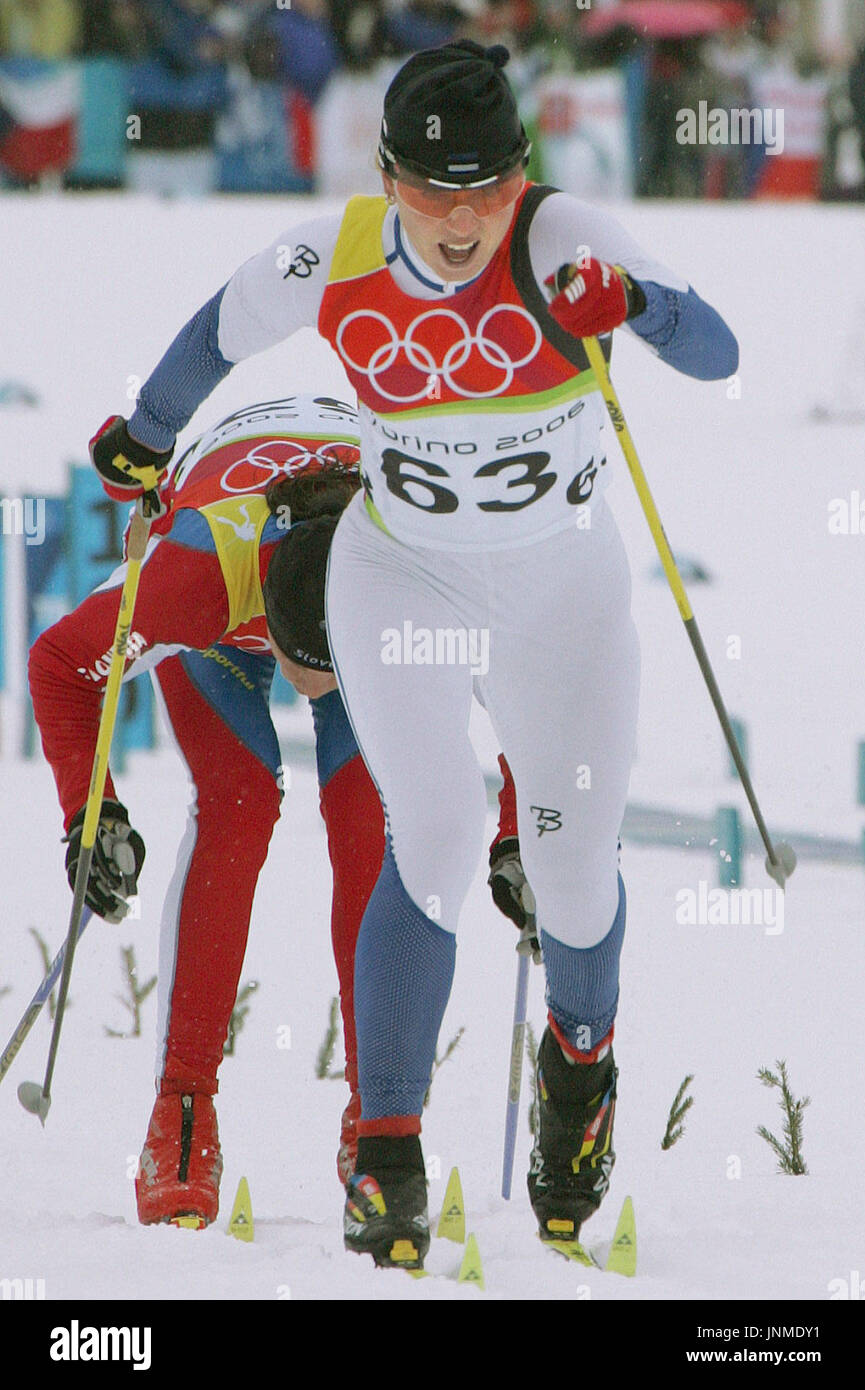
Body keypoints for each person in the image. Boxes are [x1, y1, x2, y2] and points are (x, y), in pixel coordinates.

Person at [86, 41, 738, 1268]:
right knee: (432, 831)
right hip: (403, 575)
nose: (457, 221)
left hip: (563, 598)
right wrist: (144, 435)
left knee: (574, 876)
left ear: (522, 176)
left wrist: (637, 307)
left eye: (485, 190)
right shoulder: (333, 256)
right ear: (386, 177)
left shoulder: (564, 238)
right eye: (432, 193)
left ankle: (578, 1070)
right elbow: (215, 333)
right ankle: (385, 1149)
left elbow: (721, 353)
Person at [28, 393, 384, 1225]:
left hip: (360, 562)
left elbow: (535, 673)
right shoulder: (193, 577)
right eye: (309, 667)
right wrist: (92, 815)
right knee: (240, 799)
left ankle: (380, 1115)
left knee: (365, 809)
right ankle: (181, 1114)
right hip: (222, 556)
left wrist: (520, 831)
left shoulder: (419, 557)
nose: (319, 692)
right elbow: (61, 666)